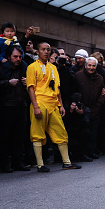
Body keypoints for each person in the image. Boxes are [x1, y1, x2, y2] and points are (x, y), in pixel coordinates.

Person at [26, 42, 81, 172]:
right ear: (37, 52)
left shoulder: (53, 67)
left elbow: (57, 88)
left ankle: (67, 162)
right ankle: (40, 164)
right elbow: (30, 88)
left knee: (61, 132)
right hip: (40, 102)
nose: (46, 52)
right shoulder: (32, 67)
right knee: (37, 134)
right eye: (43, 49)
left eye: (48, 50)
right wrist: (35, 107)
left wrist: (61, 105)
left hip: (53, 104)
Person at [0, 46, 30, 172]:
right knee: (5, 136)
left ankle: (18, 162)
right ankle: (5, 164)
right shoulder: (1, 68)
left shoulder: (24, 69)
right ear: (9, 57)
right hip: (7, 106)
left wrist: (28, 83)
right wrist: (8, 83)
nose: (18, 59)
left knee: (19, 136)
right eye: (15, 56)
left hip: (21, 105)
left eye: (20, 57)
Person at [75, 57, 105, 159]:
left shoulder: (100, 78)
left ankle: (91, 151)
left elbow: (102, 94)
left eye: (93, 66)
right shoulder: (78, 76)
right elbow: (75, 91)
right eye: (89, 65)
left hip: (95, 109)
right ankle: (82, 153)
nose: (91, 68)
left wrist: (98, 106)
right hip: (81, 109)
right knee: (83, 133)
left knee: (93, 132)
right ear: (85, 65)